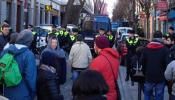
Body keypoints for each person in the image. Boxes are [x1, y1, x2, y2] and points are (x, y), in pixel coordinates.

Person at [1, 29, 37, 100]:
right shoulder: (29, 55)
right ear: (28, 41)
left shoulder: (6, 50)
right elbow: (30, 78)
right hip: (23, 94)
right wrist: (33, 93)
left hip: (6, 93)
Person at [90, 35, 120, 100]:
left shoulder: (97, 61)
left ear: (99, 46)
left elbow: (92, 83)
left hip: (102, 96)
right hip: (113, 94)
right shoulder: (114, 58)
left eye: (95, 44)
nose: (94, 47)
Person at [141, 31, 169, 100]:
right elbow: (167, 64)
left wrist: (144, 73)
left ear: (153, 38)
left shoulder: (146, 49)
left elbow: (143, 62)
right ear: (161, 38)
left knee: (147, 94)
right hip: (160, 77)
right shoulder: (165, 50)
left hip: (149, 76)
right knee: (159, 96)